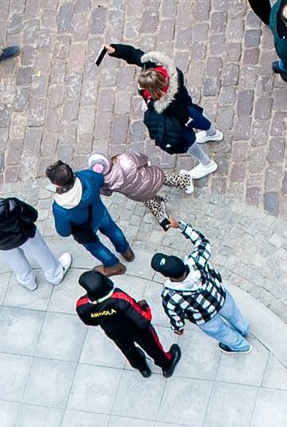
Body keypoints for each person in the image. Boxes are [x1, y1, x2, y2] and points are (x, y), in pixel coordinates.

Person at [106, 43, 222, 180]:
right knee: (200, 118)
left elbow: (158, 115)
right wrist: (117, 50)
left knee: (188, 142)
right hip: (188, 110)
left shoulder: (161, 104)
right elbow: (135, 54)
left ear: (155, 92)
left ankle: (207, 164)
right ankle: (213, 134)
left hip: (178, 121)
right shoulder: (166, 73)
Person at [152, 219, 246, 353]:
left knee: (222, 333)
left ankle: (241, 346)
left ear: (165, 275)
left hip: (205, 318)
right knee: (236, 316)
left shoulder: (170, 296)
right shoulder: (197, 260)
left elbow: (175, 315)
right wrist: (180, 226)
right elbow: (202, 242)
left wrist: (177, 328)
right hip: (220, 297)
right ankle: (244, 329)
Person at [0, 180, 72, 289]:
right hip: (24, 234)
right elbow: (33, 216)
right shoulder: (11, 204)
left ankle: (28, 282)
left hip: (3, 244)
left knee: (16, 262)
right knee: (41, 254)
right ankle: (55, 275)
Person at [77, 269, 181, 378]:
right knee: (152, 347)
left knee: (128, 350)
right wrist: (145, 308)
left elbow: (90, 321)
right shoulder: (119, 298)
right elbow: (144, 320)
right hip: (135, 328)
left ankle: (142, 367)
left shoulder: (82, 306)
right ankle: (166, 364)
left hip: (113, 331)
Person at [48, 158, 137, 273]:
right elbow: (100, 179)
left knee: (95, 246)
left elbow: (63, 232)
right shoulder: (87, 177)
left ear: (56, 184)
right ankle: (126, 252)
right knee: (112, 229)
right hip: (99, 212)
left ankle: (113, 265)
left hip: (85, 229)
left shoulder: (60, 208)